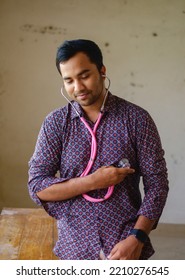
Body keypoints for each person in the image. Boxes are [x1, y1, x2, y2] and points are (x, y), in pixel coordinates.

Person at [28, 39, 169, 260]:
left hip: (125, 246)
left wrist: (137, 238)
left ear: (102, 71)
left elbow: (157, 184)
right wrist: (94, 181)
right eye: (69, 80)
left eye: (84, 76)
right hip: (74, 249)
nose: (78, 87)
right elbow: (37, 186)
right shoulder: (55, 123)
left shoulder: (137, 119)